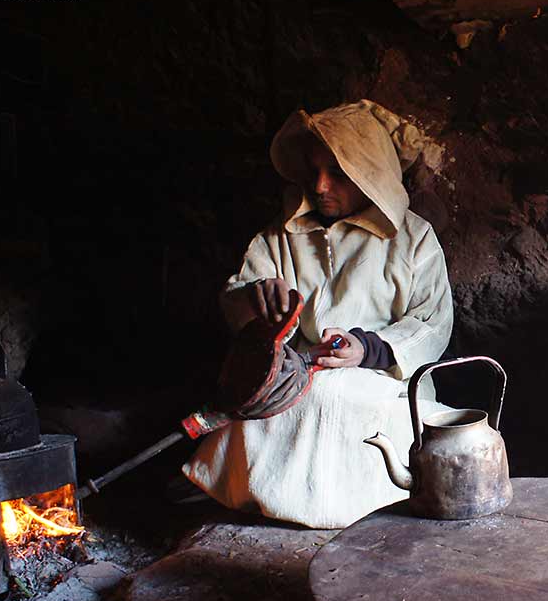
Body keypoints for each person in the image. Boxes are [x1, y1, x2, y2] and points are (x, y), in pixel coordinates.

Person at [182, 101, 454, 529]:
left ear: (371, 174)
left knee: (341, 398)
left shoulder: (413, 238)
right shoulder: (279, 236)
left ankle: (332, 510)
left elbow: (433, 321)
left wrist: (369, 348)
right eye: (314, 171)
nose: (322, 185)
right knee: (268, 401)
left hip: (386, 378)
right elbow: (235, 298)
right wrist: (257, 298)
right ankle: (264, 501)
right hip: (296, 371)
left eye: (339, 174)